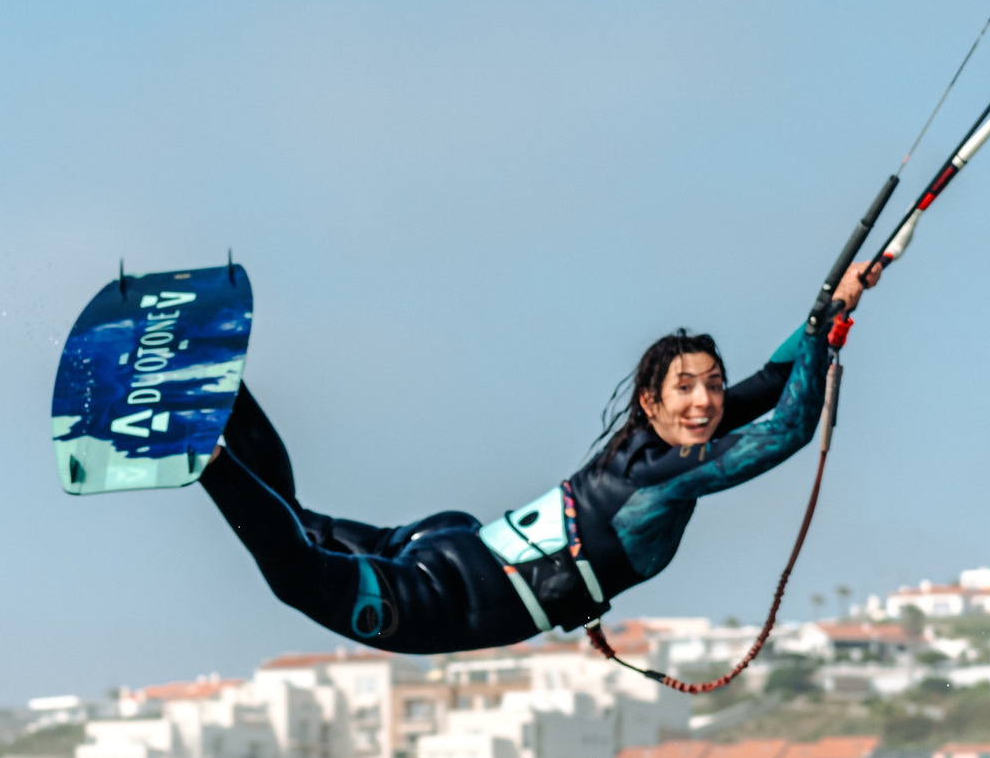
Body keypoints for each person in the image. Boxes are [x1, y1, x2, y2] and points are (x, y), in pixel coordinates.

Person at [200, 263, 873, 654]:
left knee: (293, 522)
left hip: (443, 545)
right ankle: (207, 455)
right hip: (430, 598)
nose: (705, 402)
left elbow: (774, 381)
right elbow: (787, 431)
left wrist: (829, 311)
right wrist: (822, 328)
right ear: (650, 399)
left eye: (713, 388)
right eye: (686, 389)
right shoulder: (663, 478)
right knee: (295, 570)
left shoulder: (651, 445)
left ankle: (213, 383)